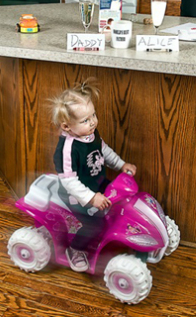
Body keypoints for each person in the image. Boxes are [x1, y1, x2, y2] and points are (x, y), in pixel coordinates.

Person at [49, 79, 137, 272]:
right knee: (94, 224)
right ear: (66, 126)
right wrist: (90, 198)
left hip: (97, 183)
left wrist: (121, 164)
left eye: (93, 115)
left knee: (120, 203)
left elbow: (103, 151)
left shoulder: (90, 133)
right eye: (85, 120)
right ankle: (76, 249)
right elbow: (69, 181)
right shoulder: (68, 148)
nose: (93, 122)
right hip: (76, 195)